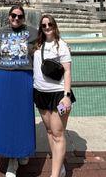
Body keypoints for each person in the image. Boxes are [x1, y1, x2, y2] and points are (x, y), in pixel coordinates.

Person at [0, 5, 38, 177]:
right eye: (13, 16)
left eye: (19, 16)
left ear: (24, 18)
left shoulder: (33, 32)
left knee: (22, 116)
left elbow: (47, 45)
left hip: (23, 78)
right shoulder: (0, 32)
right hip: (3, 77)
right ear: (9, 17)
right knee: (6, 117)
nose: (16, 19)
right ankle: (12, 159)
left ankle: (22, 150)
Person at [33, 14, 74, 177]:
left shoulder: (61, 45)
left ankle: (55, 174)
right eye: (44, 25)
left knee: (58, 133)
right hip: (41, 94)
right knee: (50, 131)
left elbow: (67, 71)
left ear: (55, 26)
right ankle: (60, 168)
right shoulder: (38, 44)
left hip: (58, 95)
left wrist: (67, 95)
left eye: (50, 24)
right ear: (41, 28)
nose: (47, 27)